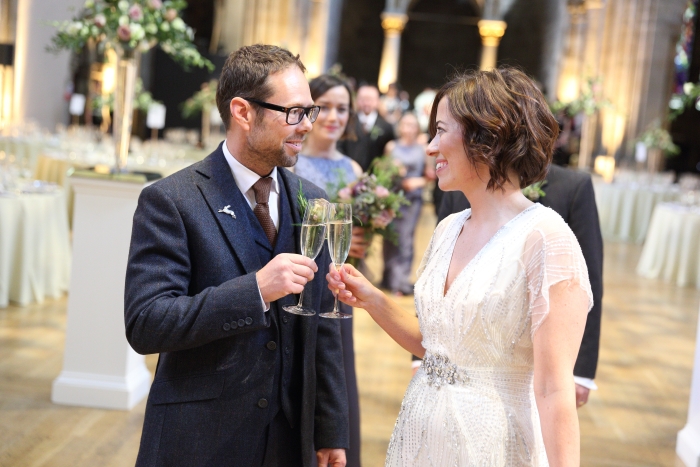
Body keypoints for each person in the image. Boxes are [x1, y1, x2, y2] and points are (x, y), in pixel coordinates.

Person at [327, 67, 592, 465]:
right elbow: (441, 344)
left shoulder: (545, 238)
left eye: (440, 131)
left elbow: (555, 390)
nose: (430, 148)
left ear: (486, 137)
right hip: (422, 436)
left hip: (493, 444)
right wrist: (374, 301)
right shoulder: (450, 227)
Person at [124, 44, 348, 467]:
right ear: (243, 112)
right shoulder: (172, 200)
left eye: (309, 112)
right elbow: (147, 324)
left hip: (288, 441)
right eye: (293, 112)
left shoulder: (312, 200)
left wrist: (330, 428)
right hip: (199, 439)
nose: (306, 126)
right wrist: (256, 291)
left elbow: (321, 328)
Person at [436, 163, 604, 408]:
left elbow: (586, 281)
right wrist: (421, 358)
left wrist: (581, 371)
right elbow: (436, 275)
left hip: (533, 355)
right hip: (457, 363)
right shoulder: (458, 182)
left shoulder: (573, 186)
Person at [293, 73, 367, 467]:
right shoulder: (291, 162)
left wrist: (362, 242)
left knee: (337, 365)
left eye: (343, 108)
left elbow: (360, 233)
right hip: (300, 284)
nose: (334, 117)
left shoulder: (352, 170)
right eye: (326, 107)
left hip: (338, 287)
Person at [381, 113, 428, 296]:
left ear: (417, 128)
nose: (408, 128)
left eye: (412, 124)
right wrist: (393, 171)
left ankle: (401, 282)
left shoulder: (423, 149)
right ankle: (388, 277)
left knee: (405, 239)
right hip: (393, 196)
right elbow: (383, 171)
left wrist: (416, 182)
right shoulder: (391, 146)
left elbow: (430, 176)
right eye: (405, 124)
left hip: (412, 199)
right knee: (390, 238)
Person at [338, 84, 395, 171]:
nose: (366, 103)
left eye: (370, 100)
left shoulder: (386, 127)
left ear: (378, 101)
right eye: (363, 99)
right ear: (356, 100)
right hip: (347, 172)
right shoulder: (347, 122)